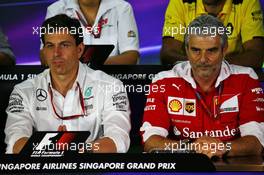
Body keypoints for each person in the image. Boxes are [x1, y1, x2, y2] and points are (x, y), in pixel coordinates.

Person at [141, 15, 264, 158]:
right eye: (196, 50)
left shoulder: (247, 79)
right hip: (183, 167)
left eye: (211, 50)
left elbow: (256, 142)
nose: (203, 59)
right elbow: (150, 140)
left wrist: (221, 147)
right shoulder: (163, 81)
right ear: (186, 50)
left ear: (224, 50)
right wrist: (190, 148)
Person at [4, 14, 131, 154]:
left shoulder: (111, 86)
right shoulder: (23, 91)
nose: (56, 53)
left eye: (64, 45)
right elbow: (15, 141)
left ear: (79, 50)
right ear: (44, 51)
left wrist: (78, 150)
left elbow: (118, 140)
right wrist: (54, 150)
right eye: (50, 46)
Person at [160, 0, 264, 69]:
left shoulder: (247, 2)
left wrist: (209, 65)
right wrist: (207, 66)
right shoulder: (180, 2)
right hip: (190, 79)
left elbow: (256, 55)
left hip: (235, 79)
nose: (204, 58)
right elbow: (168, 53)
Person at [43, 0, 139, 65]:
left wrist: (89, 67)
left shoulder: (121, 7)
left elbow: (131, 56)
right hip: (69, 82)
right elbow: (45, 56)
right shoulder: (56, 9)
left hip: (111, 80)